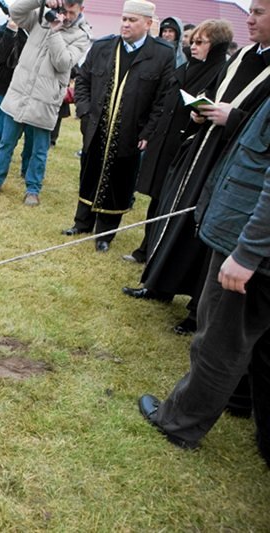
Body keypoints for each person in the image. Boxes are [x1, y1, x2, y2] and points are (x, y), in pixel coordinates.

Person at [137, 96, 270, 465]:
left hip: (251, 249)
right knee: (261, 344)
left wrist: (247, 252)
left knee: (220, 341)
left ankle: (179, 423)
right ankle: (249, 413)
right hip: (253, 245)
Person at [122, 3, 270, 332]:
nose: (249, 18)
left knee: (205, 238)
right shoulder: (244, 56)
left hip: (232, 168)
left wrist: (232, 118)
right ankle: (159, 284)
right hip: (201, 152)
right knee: (178, 221)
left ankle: (195, 312)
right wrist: (200, 110)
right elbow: (214, 91)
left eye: (259, 12)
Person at [61, 0, 175, 251]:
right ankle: (82, 223)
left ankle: (105, 234)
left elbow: (163, 99)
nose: (125, 24)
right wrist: (84, 110)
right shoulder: (103, 47)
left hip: (130, 133)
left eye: (132, 20)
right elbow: (82, 80)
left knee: (118, 181)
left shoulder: (162, 54)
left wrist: (148, 132)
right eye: (124, 18)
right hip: (96, 127)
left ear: (148, 23)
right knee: (89, 173)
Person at [123, 19, 232, 265]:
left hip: (185, 147)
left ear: (215, 46)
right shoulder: (185, 68)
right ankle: (145, 249)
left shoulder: (219, 73)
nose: (193, 47)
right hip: (164, 142)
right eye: (192, 42)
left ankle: (156, 254)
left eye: (200, 42)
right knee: (156, 198)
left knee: (170, 202)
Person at [0, 0, 91, 206]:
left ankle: (33, 190)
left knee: (38, 151)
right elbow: (16, 11)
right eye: (62, 10)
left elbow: (63, 62)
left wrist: (55, 32)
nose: (64, 16)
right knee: (6, 143)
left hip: (45, 101)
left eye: (71, 13)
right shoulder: (41, 19)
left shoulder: (82, 36)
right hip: (20, 94)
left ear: (82, 10)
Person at [0, 19, 29, 179]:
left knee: (29, 134)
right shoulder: (4, 29)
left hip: (28, 90)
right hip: (5, 88)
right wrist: (11, 30)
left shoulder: (37, 29)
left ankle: (26, 169)